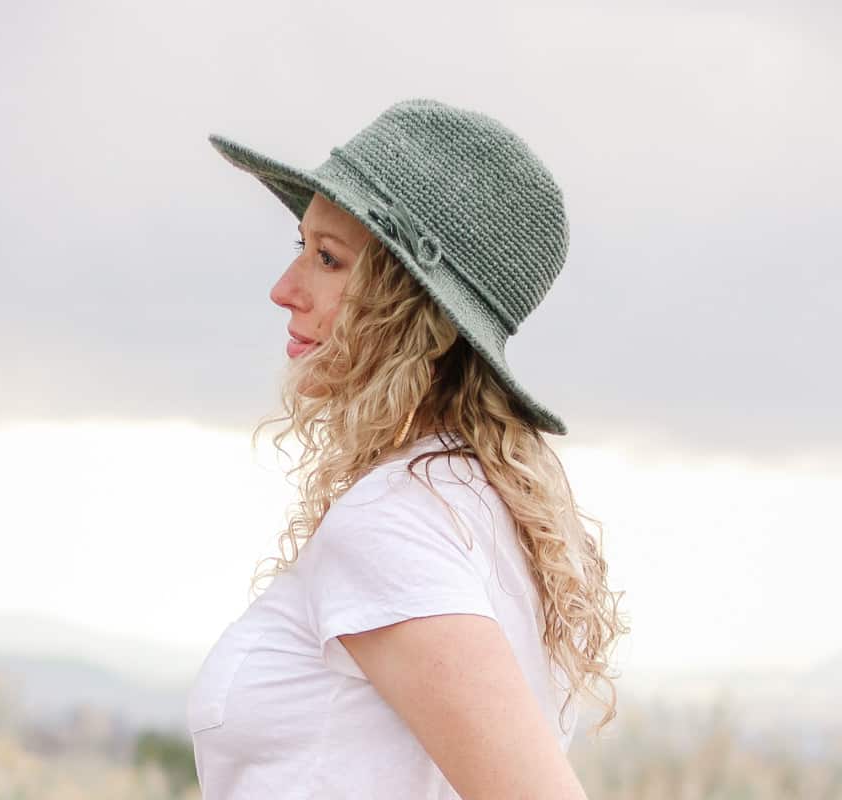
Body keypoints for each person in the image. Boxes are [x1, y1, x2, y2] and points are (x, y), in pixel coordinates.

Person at [186, 98, 629, 799]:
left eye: (329, 259)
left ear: (411, 305)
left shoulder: (396, 520)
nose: (284, 289)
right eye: (299, 247)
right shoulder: (475, 503)